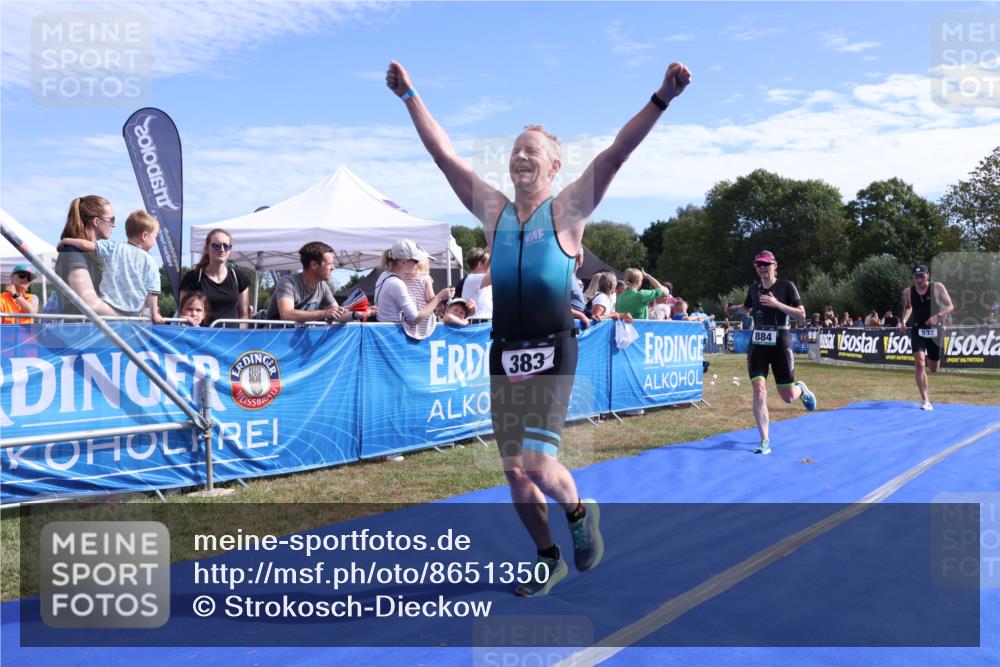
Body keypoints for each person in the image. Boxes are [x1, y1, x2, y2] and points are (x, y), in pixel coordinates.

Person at [387, 57, 691, 596]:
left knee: (535, 459)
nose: (521, 157)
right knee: (513, 471)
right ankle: (547, 555)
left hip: (553, 347)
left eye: (533, 151)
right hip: (504, 349)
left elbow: (617, 152)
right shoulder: (494, 213)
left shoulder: (568, 212)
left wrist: (661, 98)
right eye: (515, 151)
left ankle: (577, 512)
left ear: (553, 167)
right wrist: (411, 95)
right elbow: (443, 155)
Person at [725, 250, 817, 455]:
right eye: (758, 264)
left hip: (780, 342)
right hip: (758, 343)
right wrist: (733, 309)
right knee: (759, 389)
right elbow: (747, 308)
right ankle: (764, 439)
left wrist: (777, 304)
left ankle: (800, 389)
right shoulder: (754, 289)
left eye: (766, 264)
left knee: (788, 396)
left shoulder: (786, 287)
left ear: (775, 265)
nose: (762, 268)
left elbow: (802, 315)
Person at [58, 210, 165, 323]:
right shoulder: (150, 261)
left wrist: (66, 240)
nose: (155, 241)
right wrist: (155, 314)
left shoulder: (113, 247)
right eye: (155, 236)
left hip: (109, 305)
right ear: (144, 235)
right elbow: (153, 292)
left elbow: (86, 245)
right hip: (133, 311)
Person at [899, 264, 954, 411]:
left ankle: (934, 363)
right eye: (916, 277)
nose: (919, 280)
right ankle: (925, 400)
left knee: (933, 368)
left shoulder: (937, 287)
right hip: (918, 329)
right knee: (920, 363)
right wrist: (903, 321)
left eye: (922, 276)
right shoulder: (908, 292)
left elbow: (949, 306)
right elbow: (908, 307)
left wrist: (938, 316)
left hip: (935, 330)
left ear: (928, 275)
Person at [54, 195, 119, 316]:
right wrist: (125, 316)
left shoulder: (89, 254)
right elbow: (90, 303)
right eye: (112, 220)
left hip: (93, 330)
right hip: (81, 331)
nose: (114, 225)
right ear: (96, 222)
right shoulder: (72, 252)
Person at [374, 239, 453, 338]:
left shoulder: (384, 276)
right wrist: (439, 297)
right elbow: (415, 318)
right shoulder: (396, 283)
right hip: (394, 336)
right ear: (403, 262)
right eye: (415, 261)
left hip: (386, 333)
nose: (418, 264)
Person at [180, 229, 251, 325]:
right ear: (206, 248)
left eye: (226, 246)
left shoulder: (239, 278)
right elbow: (183, 312)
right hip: (200, 337)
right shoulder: (192, 277)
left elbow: (244, 315)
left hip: (230, 338)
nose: (222, 250)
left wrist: (240, 337)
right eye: (216, 246)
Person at [459, 247, 493, 320]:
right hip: (477, 323)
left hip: (484, 323)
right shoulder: (472, 279)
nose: (491, 266)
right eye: (489, 263)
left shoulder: (481, 281)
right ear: (480, 264)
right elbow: (498, 275)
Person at [568, 250, 590, 330]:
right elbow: (558, 305)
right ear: (580, 257)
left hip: (576, 324)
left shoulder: (572, 276)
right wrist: (581, 315)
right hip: (570, 325)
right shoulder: (566, 276)